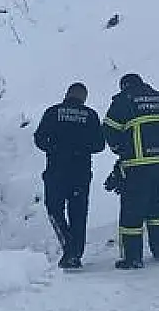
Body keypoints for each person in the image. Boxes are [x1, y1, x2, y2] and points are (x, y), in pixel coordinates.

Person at [103, 73, 159, 269]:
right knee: (157, 206)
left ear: (125, 86)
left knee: (132, 211)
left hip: (139, 164)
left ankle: (132, 258)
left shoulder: (124, 100)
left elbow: (110, 130)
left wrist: (121, 151)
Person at [32, 82, 106, 269]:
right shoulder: (90, 115)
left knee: (54, 209)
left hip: (56, 170)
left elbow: (39, 138)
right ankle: (75, 254)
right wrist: (81, 148)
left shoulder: (53, 112)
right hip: (80, 173)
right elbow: (99, 145)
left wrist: (55, 147)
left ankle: (69, 246)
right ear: (84, 97)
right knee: (78, 214)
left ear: (67, 94)